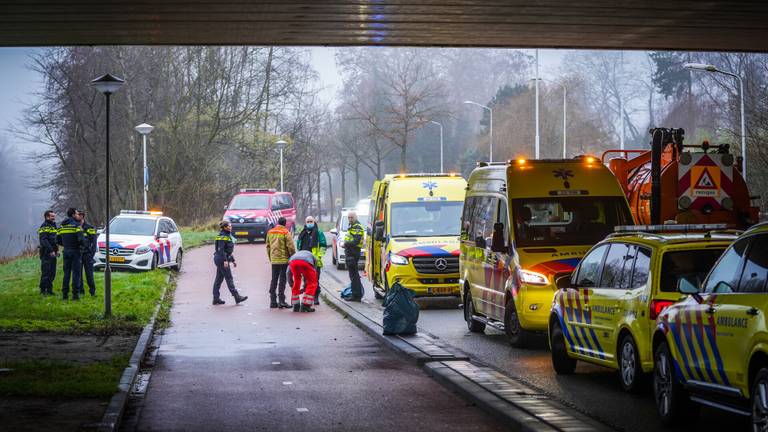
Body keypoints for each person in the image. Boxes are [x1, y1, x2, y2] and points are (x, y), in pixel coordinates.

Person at [212, 220, 248, 305]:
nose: (230, 227)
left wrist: (233, 260)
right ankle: (237, 297)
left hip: (221, 258)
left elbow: (228, 251)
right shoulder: (222, 236)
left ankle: (216, 298)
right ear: (224, 227)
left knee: (219, 279)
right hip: (221, 259)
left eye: (231, 226)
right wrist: (225, 260)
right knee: (229, 278)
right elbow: (221, 250)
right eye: (229, 226)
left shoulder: (227, 235)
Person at [296, 215, 327, 305]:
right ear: (305, 223)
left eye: (311, 221)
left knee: (315, 280)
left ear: (314, 222)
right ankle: (307, 298)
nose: (309, 223)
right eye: (308, 222)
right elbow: (298, 245)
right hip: (304, 261)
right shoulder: (303, 233)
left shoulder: (319, 233)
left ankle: (316, 297)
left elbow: (323, 245)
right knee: (306, 280)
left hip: (314, 261)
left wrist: (318, 257)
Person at [266, 217, 295, 309]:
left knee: (274, 279)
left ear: (277, 222)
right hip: (284, 260)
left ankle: (273, 301)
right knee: (282, 280)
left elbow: (268, 246)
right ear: (285, 223)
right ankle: (281, 301)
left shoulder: (270, 232)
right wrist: (292, 256)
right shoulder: (286, 232)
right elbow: (290, 246)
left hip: (274, 260)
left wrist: (271, 258)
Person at [57, 208, 85, 300]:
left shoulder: (62, 226)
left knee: (66, 274)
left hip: (66, 251)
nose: (78, 215)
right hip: (75, 252)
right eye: (77, 214)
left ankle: (65, 295)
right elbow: (81, 240)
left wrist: (65, 245)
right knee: (76, 274)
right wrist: (82, 246)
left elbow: (57, 240)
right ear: (73, 215)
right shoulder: (77, 226)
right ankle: (75, 295)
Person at [343, 210, 365, 301]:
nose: (350, 219)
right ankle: (355, 294)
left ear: (356, 217)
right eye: (349, 217)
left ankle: (356, 295)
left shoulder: (357, 227)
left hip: (353, 252)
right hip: (350, 252)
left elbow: (355, 241)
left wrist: (346, 244)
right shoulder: (352, 226)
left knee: (354, 275)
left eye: (351, 217)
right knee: (353, 274)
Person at [77, 211, 98, 297]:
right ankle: (81, 291)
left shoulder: (89, 227)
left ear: (82, 216)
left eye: (78, 215)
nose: (77, 216)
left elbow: (94, 241)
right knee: (78, 274)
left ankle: (92, 291)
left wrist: (91, 254)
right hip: (78, 254)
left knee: (89, 274)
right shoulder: (75, 227)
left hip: (87, 254)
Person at [38, 210, 58, 296]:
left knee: (52, 273)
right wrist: (51, 250)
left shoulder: (53, 226)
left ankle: (49, 290)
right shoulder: (44, 226)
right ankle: (43, 291)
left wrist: (56, 250)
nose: (54, 218)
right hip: (46, 253)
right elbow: (44, 240)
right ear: (47, 217)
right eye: (52, 216)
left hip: (53, 253)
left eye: (54, 216)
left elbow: (55, 240)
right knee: (46, 272)